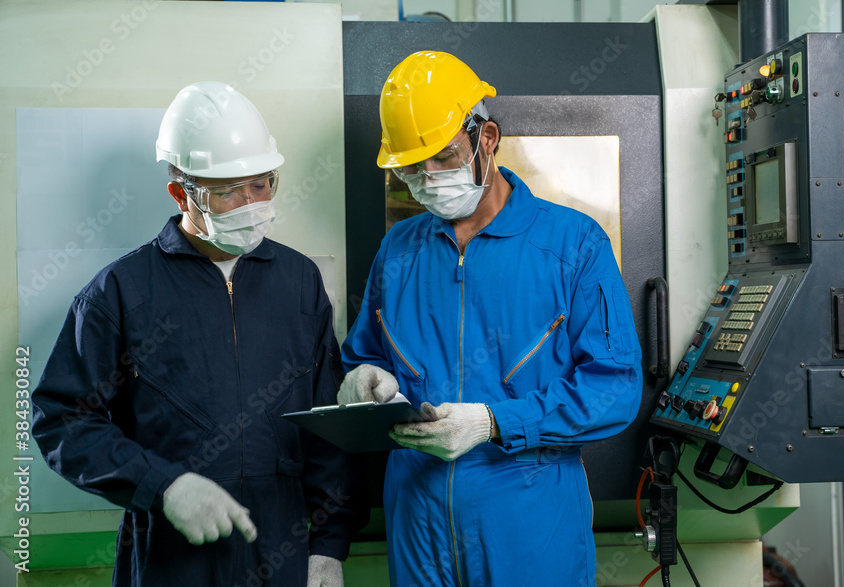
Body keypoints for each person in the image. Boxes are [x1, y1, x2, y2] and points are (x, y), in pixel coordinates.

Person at [32, 82, 367, 587]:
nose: (251, 203)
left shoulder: (298, 283)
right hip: (172, 558)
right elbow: (61, 422)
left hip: (281, 550)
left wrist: (328, 546)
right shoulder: (120, 292)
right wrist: (162, 485)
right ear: (180, 191)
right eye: (229, 190)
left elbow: (327, 425)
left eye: (262, 184)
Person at [338, 51, 643, 586]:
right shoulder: (399, 250)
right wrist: (366, 379)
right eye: (412, 166)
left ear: (487, 138)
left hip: (528, 523)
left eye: (444, 156)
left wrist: (493, 422)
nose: (428, 178)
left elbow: (614, 390)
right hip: (416, 521)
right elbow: (365, 351)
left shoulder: (573, 245)